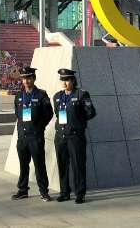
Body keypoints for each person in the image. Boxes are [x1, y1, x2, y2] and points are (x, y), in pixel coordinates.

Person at [52, 68, 96, 204]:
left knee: (78, 165)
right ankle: (64, 192)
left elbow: (91, 113)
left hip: (76, 136)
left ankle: (80, 193)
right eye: (62, 80)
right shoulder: (57, 96)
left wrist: (78, 121)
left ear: (73, 80)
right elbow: (57, 114)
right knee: (62, 165)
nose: (64, 83)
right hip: (61, 136)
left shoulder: (82, 94)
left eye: (67, 80)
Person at [12, 66, 53, 202]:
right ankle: (23, 190)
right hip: (22, 138)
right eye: (24, 78)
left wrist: (39, 127)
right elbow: (17, 114)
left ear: (34, 79)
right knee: (23, 165)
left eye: (29, 78)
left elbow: (49, 114)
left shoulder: (41, 95)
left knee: (39, 165)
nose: (26, 81)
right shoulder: (19, 96)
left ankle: (44, 191)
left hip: (35, 137)